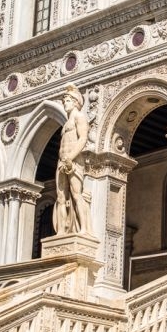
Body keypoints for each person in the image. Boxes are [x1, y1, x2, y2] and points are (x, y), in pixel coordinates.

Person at [54, 84, 91, 235]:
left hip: (74, 161)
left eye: (68, 100)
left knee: (76, 194)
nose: (65, 103)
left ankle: (83, 229)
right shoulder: (66, 122)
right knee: (61, 197)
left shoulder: (79, 117)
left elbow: (82, 139)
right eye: (64, 101)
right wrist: (63, 159)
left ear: (76, 101)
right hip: (61, 161)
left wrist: (71, 157)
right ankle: (61, 232)